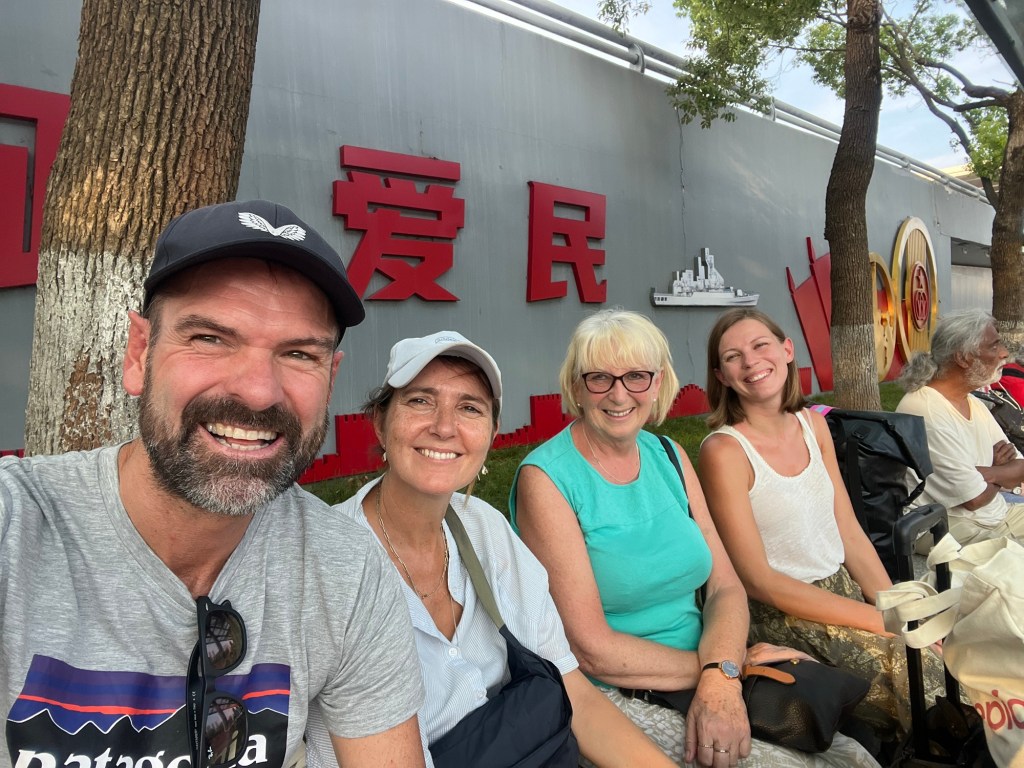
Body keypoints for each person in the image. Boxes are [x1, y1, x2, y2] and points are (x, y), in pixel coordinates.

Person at [0, 200, 425, 767]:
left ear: (330, 378)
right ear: (139, 354)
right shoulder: (15, 529)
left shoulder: (343, 570)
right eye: (209, 339)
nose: (258, 391)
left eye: (299, 353)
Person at [511, 309, 878, 767]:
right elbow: (591, 649)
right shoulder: (547, 479)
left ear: (658, 383)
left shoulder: (668, 454)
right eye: (599, 378)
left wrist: (721, 671)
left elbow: (725, 586)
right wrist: (727, 668)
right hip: (618, 692)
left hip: (712, 664)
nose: (619, 394)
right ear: (576, 387)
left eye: (637, 376)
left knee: (856, 753)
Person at [305, 330, 677, 768]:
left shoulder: (485, 528)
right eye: (420, 401)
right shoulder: (325, 561)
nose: (445, 427)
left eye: (470, 408)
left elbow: (571, 687)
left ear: (491, 433)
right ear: (379, 423)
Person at [697, 307, 946, 744]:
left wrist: (895, 609)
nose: (751, 361)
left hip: (841, 590)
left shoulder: (813, 425)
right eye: (733, 357)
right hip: (785, 614)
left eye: (760, 345)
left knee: (951, 648)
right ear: (721, 375)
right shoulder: (724, 451)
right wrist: (881, 621)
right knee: (925, 675)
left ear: (787, 350)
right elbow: (759, 581)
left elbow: (849, 532)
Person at [895, 308, 1024, 545]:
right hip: (949, 528)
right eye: (994, 346)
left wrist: (989, 473)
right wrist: (1000, 471)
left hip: (995, 516)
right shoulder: (926, 409)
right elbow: (974, 499)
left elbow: (1020, 467)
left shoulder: (972, 402)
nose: (1004, 353)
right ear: (963, 358)